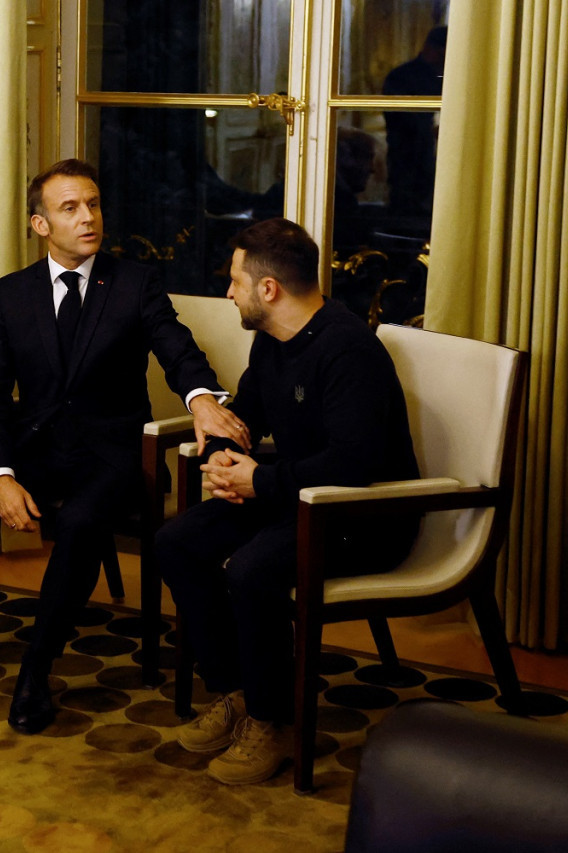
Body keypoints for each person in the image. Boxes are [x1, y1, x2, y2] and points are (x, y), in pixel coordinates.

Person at [0, 158, 248, 734]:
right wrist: (0, 474)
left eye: (94, 204)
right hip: (33, 448)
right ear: (40, 224)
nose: (88, 218)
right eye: (70, 208)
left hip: (114, 455)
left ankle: (36, 667)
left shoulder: (134, 282)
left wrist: (201, 396)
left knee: (79, 522)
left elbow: (175, 344)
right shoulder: (10, 295)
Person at [156, 217, 420, 785]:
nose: (229, 293)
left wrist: (260, 482)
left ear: (267, 289)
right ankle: (239, 693)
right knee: (176, 541)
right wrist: (224, 457)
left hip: (366, 515)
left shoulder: (349, 350)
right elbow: (246, 418)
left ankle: (272, 721)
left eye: (234, 281)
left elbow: (355, 464)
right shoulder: (274, 342)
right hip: (300, 498)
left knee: (251, 571)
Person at [382, 26, 446, 217]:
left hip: (431, 162)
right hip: (408, 164)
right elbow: (404, 122)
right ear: (434, 49)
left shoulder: (443, 76)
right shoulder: (401, 77)